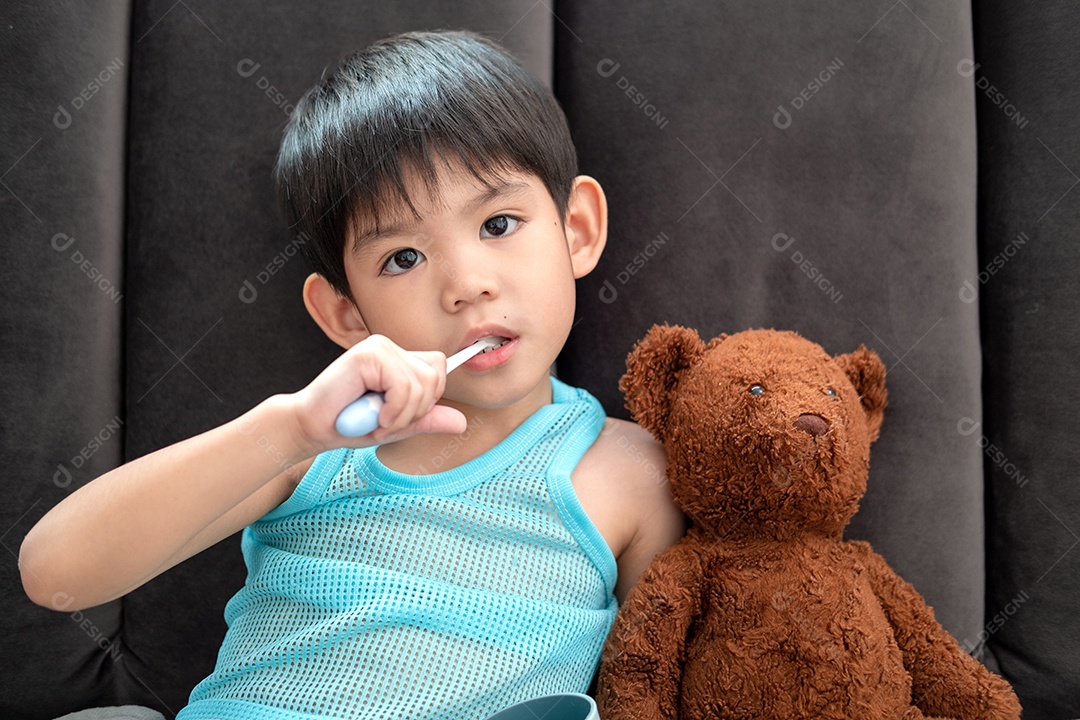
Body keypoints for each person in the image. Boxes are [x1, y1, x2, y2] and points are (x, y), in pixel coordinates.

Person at [20, 30, 685, 719]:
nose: (466, 285)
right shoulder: (313, 447)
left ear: (576, 229)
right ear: (345, 314)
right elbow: (54, 574)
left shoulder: (635, 473)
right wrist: (291, 430)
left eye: (499, 223)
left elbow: (654, 685)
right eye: (402, 259)